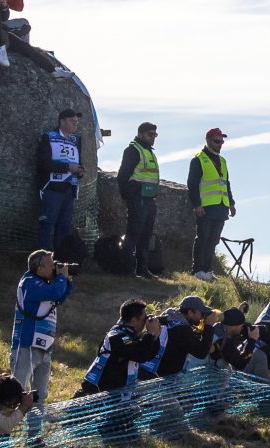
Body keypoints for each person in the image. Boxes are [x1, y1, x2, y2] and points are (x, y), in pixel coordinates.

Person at [10, 249, 73, 409]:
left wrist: (67, 280)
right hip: (27, 346)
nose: (54, 267)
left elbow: (60, 296)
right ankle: (4, 424)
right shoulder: (29, 282)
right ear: (39, 268)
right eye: (51, 265)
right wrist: (61, 277)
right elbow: (55, 292)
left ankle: (35, 426)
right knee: (15, 393)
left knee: (40, 396)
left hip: (45, 348)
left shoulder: (45, 285)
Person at [77, 300, 161, 396]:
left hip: (116, 392)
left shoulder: (129, 335)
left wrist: (155, 337)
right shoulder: (116, 336)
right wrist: (150, 334)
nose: (146, 321)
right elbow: (139, 354)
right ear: (134, 320)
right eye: (145, 318)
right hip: (96, 394)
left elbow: (148, 355)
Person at [188, 128, 235, 281]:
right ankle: (197, 270)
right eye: (217, 141)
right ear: (208, 141)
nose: (220, 144)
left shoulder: (223, 161)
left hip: (221, 206)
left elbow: (226, 184)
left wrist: (231, 203)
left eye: (222, 141)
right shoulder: (198, 160)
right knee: (203, 238)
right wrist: (197, 205)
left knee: (214, 240)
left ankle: (207, 270)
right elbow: (192, 184)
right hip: (206, 206)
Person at [116, 122, 161, 279]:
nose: (153, 137)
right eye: (150, 134)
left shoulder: (149, 152)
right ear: (140, 134)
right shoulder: (133, 150)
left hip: (149, 199)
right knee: (133, 234)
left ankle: (142, 268)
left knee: (146, 235)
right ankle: (127, 269)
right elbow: (122, 176)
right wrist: (130, 193)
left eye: (155, 135)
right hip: (137, 199)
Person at [35, 109, 84, 251]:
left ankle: (60, 260)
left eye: (77, 121)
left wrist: (80, 171)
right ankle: (42, 260)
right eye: (72, 120)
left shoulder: (76, 140)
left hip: (70, 189)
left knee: (64, 228)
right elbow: (43, 164)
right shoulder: (48, 137)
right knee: (47, 225)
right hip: (52, 188)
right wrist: (67, 167)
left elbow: (77, 162)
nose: (75, 123)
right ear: (62, 121)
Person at [138, 296, 213, 380]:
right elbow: (201, 352)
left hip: (146, 373)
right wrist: (209, 326)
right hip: (160, 380)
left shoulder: (167, 319)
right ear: (190, 313)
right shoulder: (183, 330)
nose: (202, 317)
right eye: (201, 313)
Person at [213, 308, 270, 381]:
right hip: (209, 380)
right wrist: (252, 340)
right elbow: (240, 364)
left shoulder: (217, 328)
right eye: (241, 326)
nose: (242, 329)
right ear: (234, 326)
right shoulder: (222, 340)